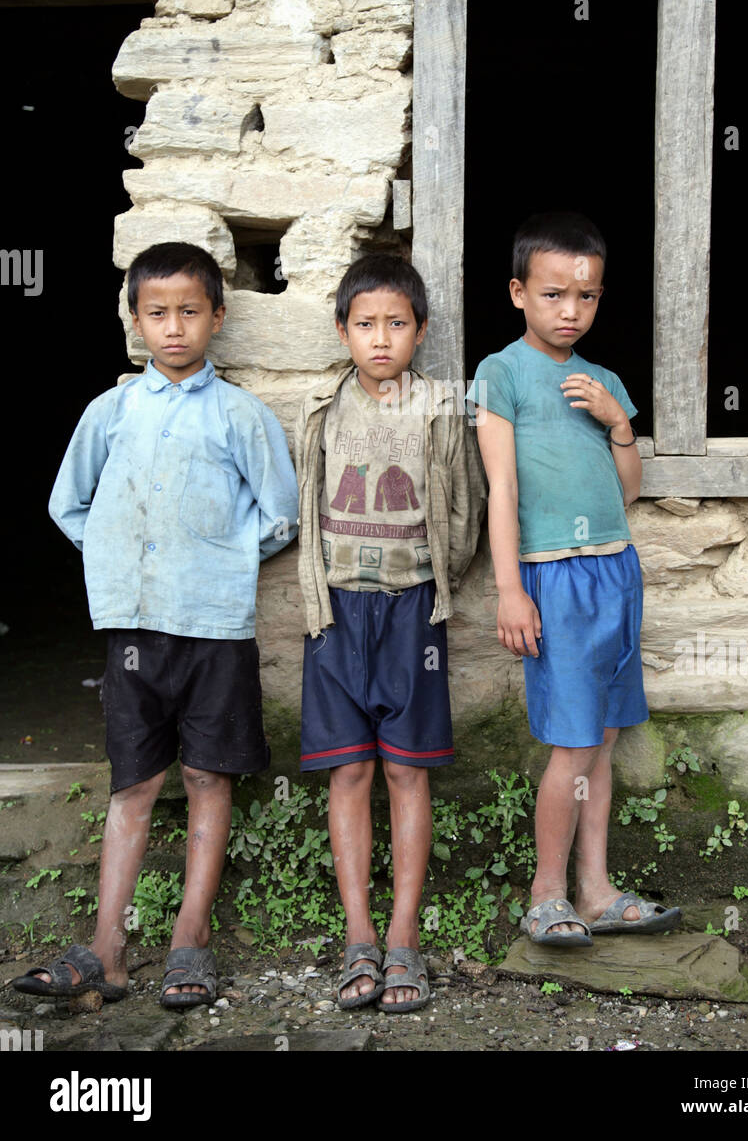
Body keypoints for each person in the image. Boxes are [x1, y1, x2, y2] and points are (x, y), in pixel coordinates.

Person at [13, 242, 298, 1007]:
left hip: (215, 628)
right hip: (133, 627)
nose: (174, 328)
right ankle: (105, 947)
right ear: (134, 319)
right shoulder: (109, 413)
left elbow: (279, 517)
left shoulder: (242, 415)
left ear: (217, 316)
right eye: (157, 313)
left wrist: (218, 561)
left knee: (208, 776)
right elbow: (68, 504)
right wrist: (117, 558)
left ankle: (189, 940)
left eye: (190, 312)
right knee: (134, 781)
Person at [466, 212, 680, 944]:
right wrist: (510, 589)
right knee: (572, 744)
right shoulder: (501, 374)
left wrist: (620, 422)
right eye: (554, 294)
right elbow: (504, 490)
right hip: (552, 580)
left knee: (606, 739)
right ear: (519, 292)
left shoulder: (604, 380)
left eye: (586, 297)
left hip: (616, 572)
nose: (570, 311)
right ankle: (547, 894)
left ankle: (596, 890)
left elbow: (625, 492)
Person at [294, 253, 484, 1012]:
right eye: (365, 324)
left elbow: (465, 511)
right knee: (350, 773)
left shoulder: (440, 408)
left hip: (413, 612)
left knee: (408, 771)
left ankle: (403, 937)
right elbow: (306, 505)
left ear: (421, 330)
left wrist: (441, 586)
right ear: (342, 330)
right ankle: (359, 937)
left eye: (396, 325)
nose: (381, 339)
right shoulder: (320, 408)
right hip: (335, 613)